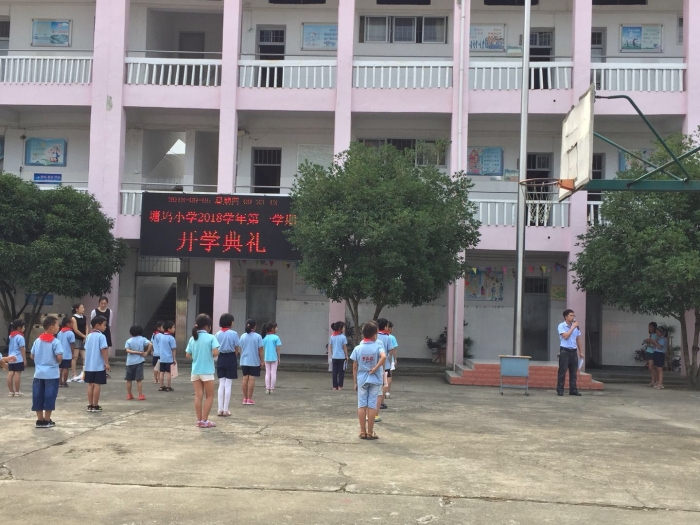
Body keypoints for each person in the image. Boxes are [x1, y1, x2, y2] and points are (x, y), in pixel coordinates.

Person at [350, 322, 386, 441]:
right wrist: (376, 368)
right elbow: (384, 357)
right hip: (375, 379)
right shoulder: (377, 346)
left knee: (361, 405)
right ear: (374, 335)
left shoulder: (358, 348)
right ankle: (370, 432)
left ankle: (362, 431)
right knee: (372, 406)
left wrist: (355, 382)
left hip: (361, 379)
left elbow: (354, 367)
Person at [186, 314, 220, 428]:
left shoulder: (192, 338)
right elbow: (216, 352)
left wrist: (197, 356)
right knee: (209, 396)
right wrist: (207, 355)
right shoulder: (211, 337)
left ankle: (199, 420)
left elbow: (187, 354)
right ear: (207, 326)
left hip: (195, 371)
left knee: (198, 396)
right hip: (207, 371)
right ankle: (204, 420)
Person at [30, 316, 62, 428]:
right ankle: (47, 420)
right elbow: (59, 357)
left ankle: (39, 420)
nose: (59, 327)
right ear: (52, 327)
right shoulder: (56, 342)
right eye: (57, 325)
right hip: (51, 374)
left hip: (38, 374)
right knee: (50, 396)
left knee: (38, 395)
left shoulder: (37, 341)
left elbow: (32, 355)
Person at [215, 313, 240, 417]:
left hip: (220, 358)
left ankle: (219, 409)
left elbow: (216, 348)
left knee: (221, 384)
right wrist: (234, 355)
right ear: (230, 322)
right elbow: (237, 348)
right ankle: (226, 409)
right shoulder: (234, 334)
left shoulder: (217, 334)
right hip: (230, 358)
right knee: (228, 384)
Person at [84, 315, 110, 412]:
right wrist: (106, 363)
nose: (105, 327)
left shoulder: (89, 336)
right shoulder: (101, 336)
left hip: (89, 365)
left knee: (90, 384)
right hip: (98, 365)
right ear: (98, 325)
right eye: (104, 325)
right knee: (97, 385)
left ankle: (90, 405)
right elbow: (104, 349)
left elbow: (86, 349)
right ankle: (95, 405)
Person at [557, 309, 583, 396]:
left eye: (573, 315)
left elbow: (578, 339)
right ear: (566, 317)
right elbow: (565, 336)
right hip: (565, 351)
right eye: (571, 315)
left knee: (573, 372)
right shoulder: (561, 326)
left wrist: (581, 351)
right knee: (562, 371)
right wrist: (572, 327)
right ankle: (560, 389)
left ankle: (573, 389)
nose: (573, 317)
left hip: (573, 351)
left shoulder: (576, 327)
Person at [239, 319, 264, 405]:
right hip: (254, 360)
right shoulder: (258, 337)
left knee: (245, 378)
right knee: (251, 379)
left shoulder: (242, 336)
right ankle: (249, 398)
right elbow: (260, 350)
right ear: (255, 326)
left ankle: (245, 398)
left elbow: (240, 348)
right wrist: (262, 361)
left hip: (244, 360)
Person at [375, 318, 395, 417]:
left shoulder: (374, 336)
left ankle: (373, 402)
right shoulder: (387, 337)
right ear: (386, 326)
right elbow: (391, 350)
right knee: (384, 383)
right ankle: (381, 402)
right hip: (385, 364)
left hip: (375, 364)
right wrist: (391, 359)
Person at [125, 325, 151, 401]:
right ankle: (140, 395)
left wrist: (136, 352)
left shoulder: (129, 340)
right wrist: (146, 352)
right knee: (139, 379)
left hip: (129, 362)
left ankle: (129, 394)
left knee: (129, 379)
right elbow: (150, 344)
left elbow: (127, 350)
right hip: (139, 361)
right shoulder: (143, 339)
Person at [7, 319, 27, 397]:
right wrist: (24, 359)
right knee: (17, 374)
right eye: (24, 327)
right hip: (18, 358)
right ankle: (17, 391)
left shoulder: (11, 336)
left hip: (10, 358)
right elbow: (22, 349)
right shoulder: (20, 337)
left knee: (10, 373)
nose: (24, 328)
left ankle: (11, 391)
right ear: (19, 327)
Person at [70, 303, 88, 382]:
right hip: (76, 338)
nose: (83, 309)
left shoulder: (84, 317)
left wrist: (86, 336)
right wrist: (84, 336)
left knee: (85, 357)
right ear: (77, 309)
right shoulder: (73, 318)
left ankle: (84, 374)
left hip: (84, 339)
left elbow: (86, 327)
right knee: (75, 357)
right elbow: (75, 330)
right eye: (82, 307)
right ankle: (74, 374)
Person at [262, 322, 282, 394]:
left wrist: (263, 359)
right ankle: (272, 389)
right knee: (273, 373)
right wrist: (279, 358)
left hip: (266, 357)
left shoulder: (265, 338)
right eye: (275, 327)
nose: (277, 328)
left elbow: (263, 349)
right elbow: (278, 349)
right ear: (272, 329)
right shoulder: (276, 337)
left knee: (267, 373)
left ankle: (267, 389)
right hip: (274, 358)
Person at [56, 317, 76, 388]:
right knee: (66, 368)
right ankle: (64, 382)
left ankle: (59, 382)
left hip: (60, 353)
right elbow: (72, 344)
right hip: (67, 354)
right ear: (68, 324)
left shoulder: (60, 332)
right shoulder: (70, 333)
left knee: (60, 368)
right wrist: (73, 353)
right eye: (71, 323)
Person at [329, 321, 348, 391]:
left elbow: (330, 346)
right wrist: (346, 356)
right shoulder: (343, 337)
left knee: (334, 372)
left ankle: (334, 386)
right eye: (343, 327)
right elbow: (344, 347)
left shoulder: (332, 336)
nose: (344, 329)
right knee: (341, 372)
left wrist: (332, 354)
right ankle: (340, 386)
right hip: (341, 357)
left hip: (334, 357)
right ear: (340, 328)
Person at [158, 321, 177, 392]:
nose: (174, 329)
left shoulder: (161, 337)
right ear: (169, 329)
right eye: (173, 327)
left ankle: (161, 386)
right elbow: (173, 349)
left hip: (162, 358)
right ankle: (168, 386)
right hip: (169, 358)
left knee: (161, 372)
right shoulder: (171, 338)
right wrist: (174, 359)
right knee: (168, 373)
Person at [644, 322, 658, 387]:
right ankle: (653, 381)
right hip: (649, 351)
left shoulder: (655, 335)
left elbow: (655, 345)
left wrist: (650, 342)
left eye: (651, 327)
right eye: (649, 327)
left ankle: (656, 380)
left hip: (653, 352)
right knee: (650, 367)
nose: (650, 328)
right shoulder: (651, 334)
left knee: (651, 367)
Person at [386, 321, 399, 398]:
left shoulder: (378, 336)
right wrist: (395, 359)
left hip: (381, 359)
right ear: (389, 328)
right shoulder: (392, 337)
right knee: (389, 376)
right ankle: (387, 392)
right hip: (390, 359)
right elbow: (393, 350)